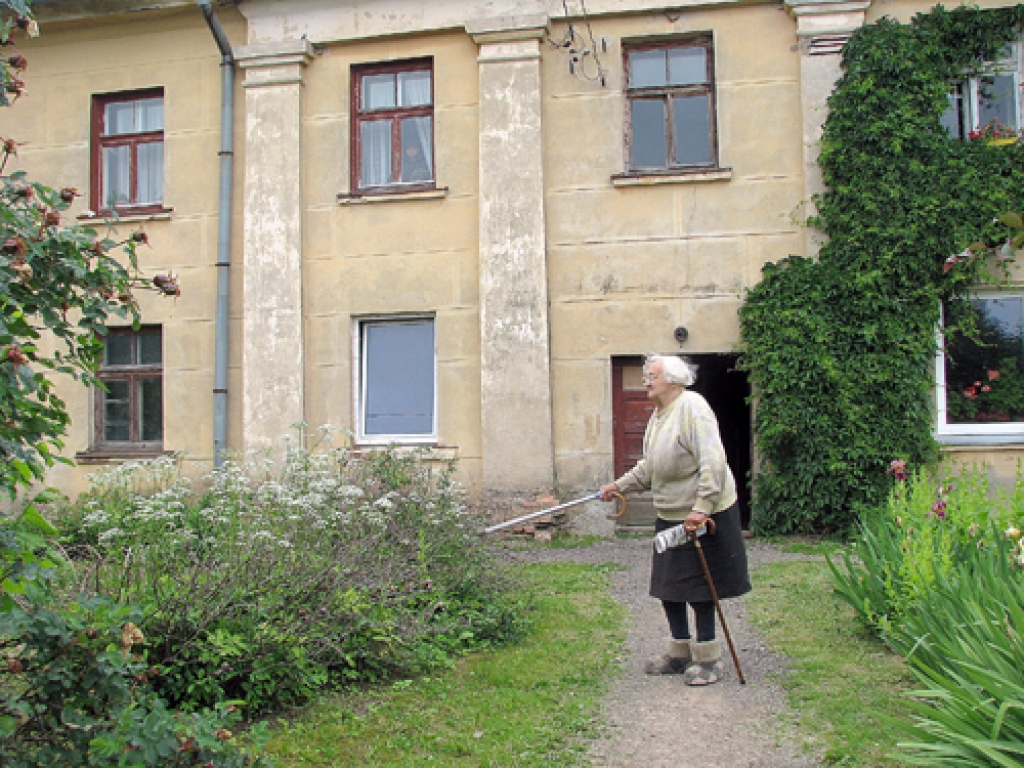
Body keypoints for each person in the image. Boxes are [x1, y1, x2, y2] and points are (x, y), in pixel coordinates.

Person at [600, 354, 750, 685]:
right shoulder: (658, 417)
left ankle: (708, 659)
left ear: (673, 379)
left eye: (652, 375)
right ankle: (679, 653)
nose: (646, 381)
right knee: (669, 587)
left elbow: (713, 459)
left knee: (700, 589)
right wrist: (617, 486)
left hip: (702, 514)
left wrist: (703, 506)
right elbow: (650, 468)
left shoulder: (692, 407)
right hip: (671, 514)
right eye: (645, 375)